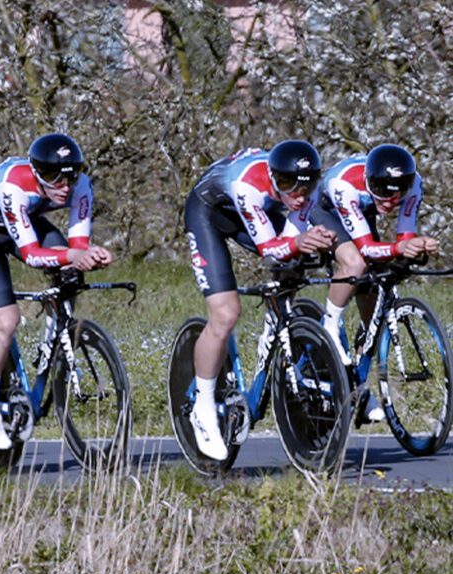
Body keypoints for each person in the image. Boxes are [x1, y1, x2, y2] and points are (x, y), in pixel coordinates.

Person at [0, 132, 113, 450]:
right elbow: (31, 255)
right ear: (37, 172)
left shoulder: (81, 185)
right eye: (54, 177)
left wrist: (89, 255)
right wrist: (73, 255)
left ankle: (53, 340)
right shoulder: (12, 186)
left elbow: (78, 244)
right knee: (6, 321)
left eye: (70, 177)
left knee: (70, 275)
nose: (64, 186)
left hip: (26, 221)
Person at [184, 140, 335, 461]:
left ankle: (275, 325)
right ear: (273, 177)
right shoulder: (248, 185)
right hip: (208, 212)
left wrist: (312, 240)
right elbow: (270, 251)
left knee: (298, 260)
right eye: (288, 185)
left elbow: (290, 242)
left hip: (252, 212)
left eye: (306, 187)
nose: (299, 196)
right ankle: (203, 406)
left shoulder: (304, 191)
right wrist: (299, 241)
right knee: (226, 314)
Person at [309, 143, 438, 421]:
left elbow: (405, 236)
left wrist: (416, 246)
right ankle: (330, 325)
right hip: (325, 210)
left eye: (396, 195)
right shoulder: (345, 185)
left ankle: (359, 389)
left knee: (374, 311)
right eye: (381, 192)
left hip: (361, 213)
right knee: (355, 263)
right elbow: (367, 249)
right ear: (369, 182)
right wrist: (399, 249)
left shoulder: (413, 183)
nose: (389, 202)